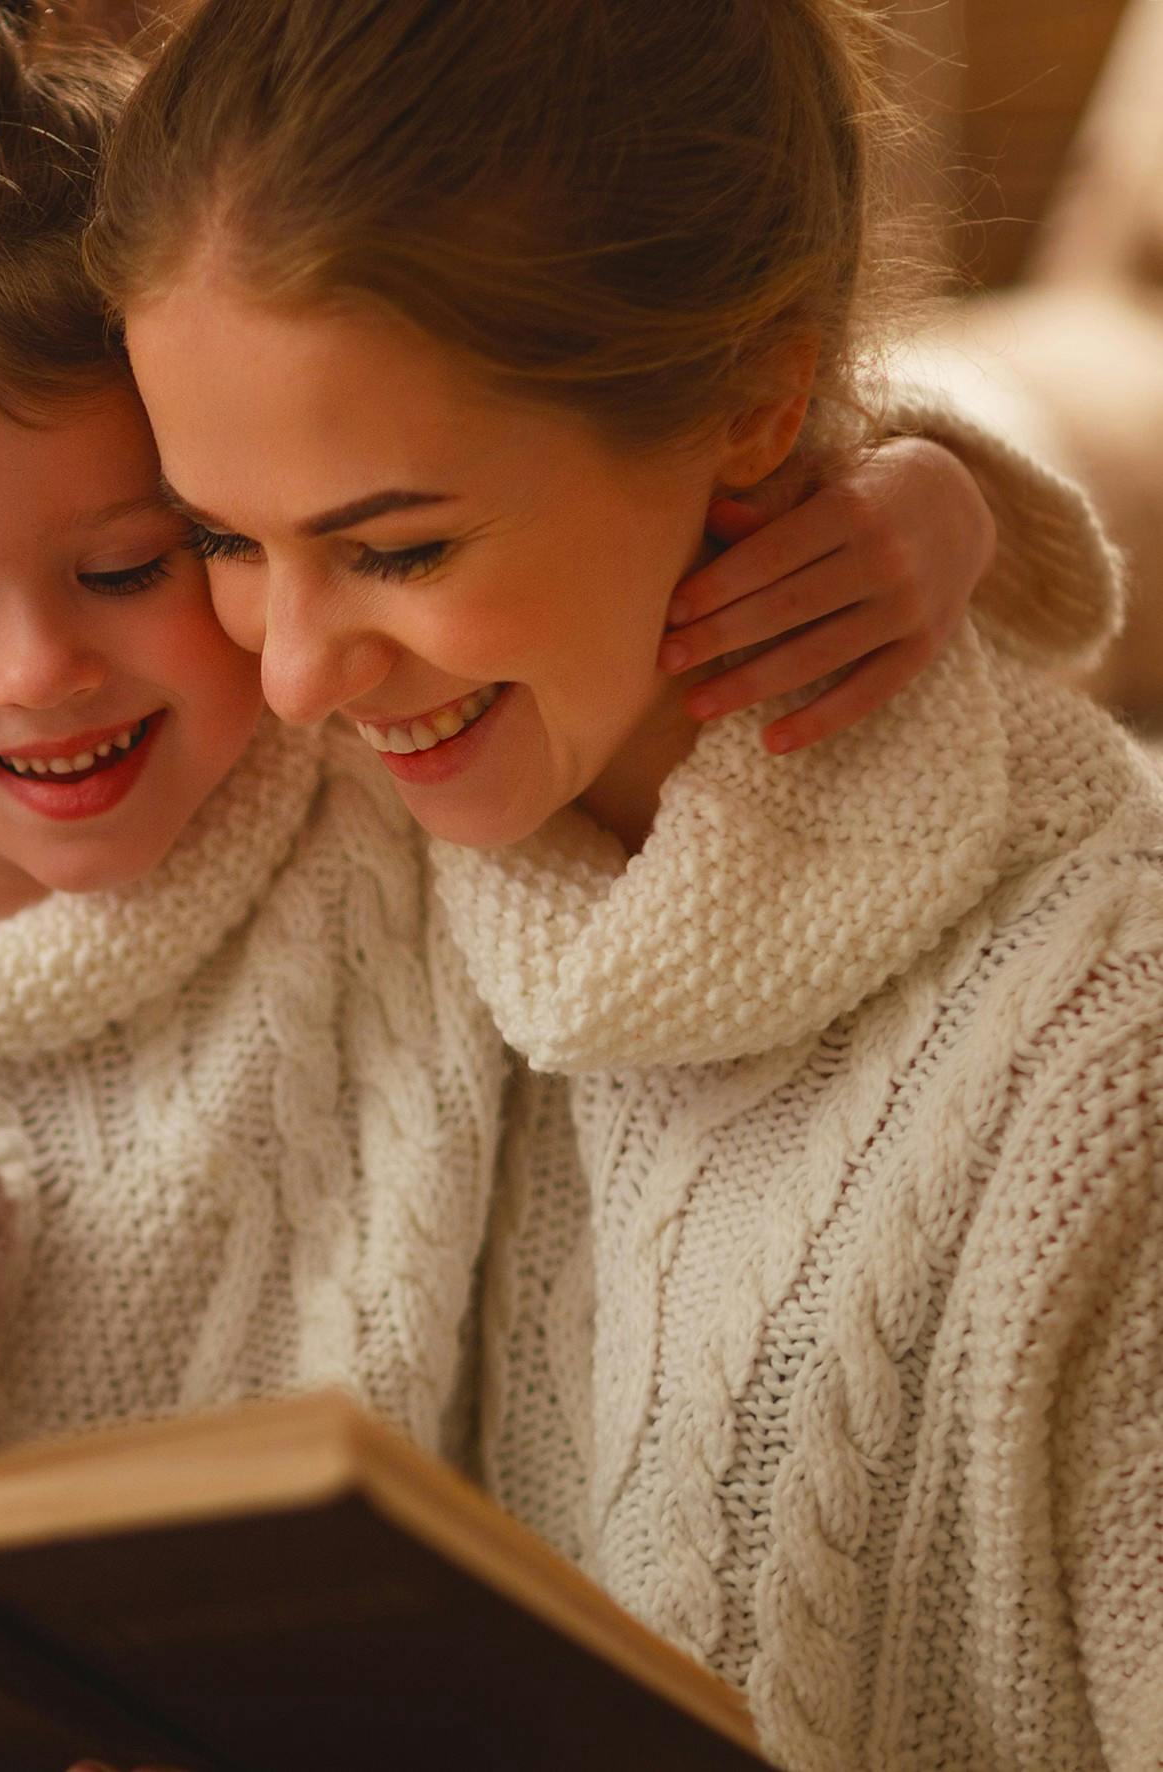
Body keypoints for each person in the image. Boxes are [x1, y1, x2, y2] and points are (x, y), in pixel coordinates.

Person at [0, 4, 1125, 1771]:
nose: (49, 672)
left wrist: (927, 497)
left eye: (138, 562)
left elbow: (638, 539)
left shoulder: (377, 836)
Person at [89, 2, 1163, 1768]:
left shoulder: (1097, 1064)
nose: (289, 679)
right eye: (221, 538)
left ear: (756, 399)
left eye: (397, 547)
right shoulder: (313, 852)